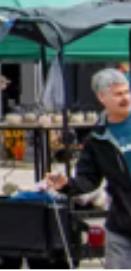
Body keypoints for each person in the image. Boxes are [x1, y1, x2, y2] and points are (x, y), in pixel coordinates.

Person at [47, 67, 131, 268]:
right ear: (102, 98)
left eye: (127, 91)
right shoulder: (97, 139)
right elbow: (89, 179)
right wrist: (67, 184)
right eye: (119, 94)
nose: (126, 98)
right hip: (121, 227)